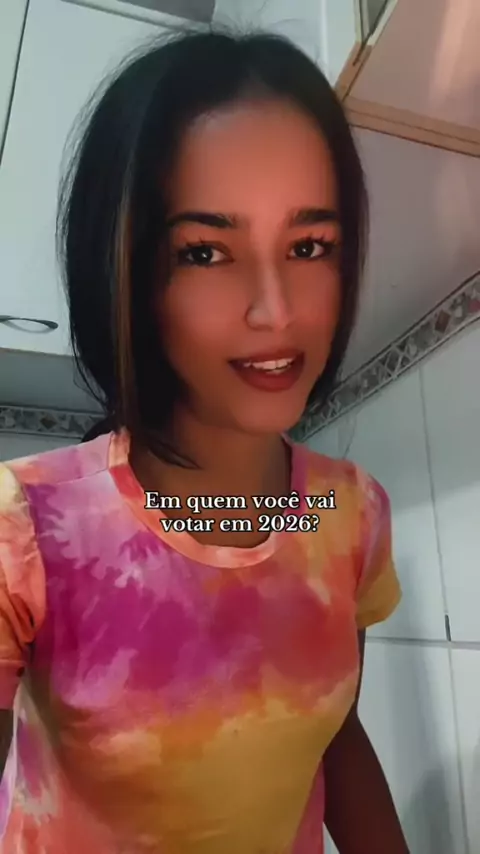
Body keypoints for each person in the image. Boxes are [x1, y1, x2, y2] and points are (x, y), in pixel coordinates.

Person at [0, 28, 409, 854]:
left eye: (308, 246)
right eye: (206, 252)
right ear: (125, 267)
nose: (275, 310)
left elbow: (332, 733)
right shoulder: (27, 527)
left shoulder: (349, 514)